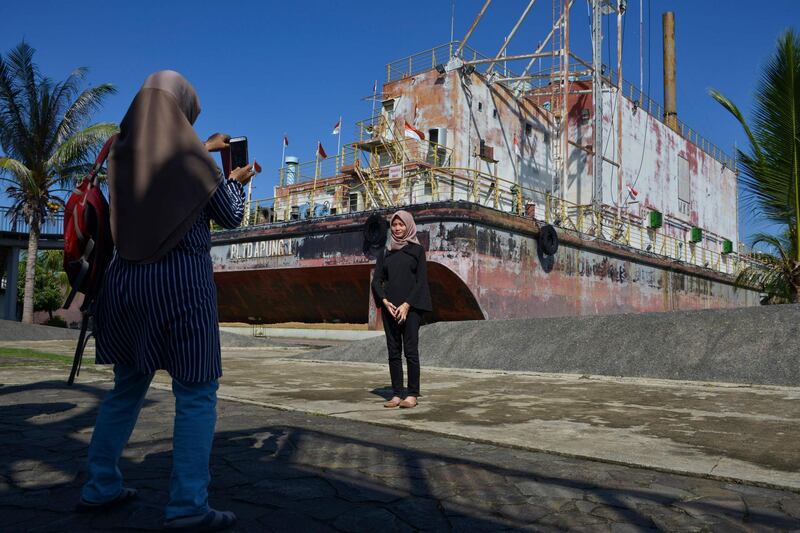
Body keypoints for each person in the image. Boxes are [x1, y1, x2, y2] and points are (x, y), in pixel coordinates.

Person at [76, 70, 256, 532]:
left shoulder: (122, 152)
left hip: (125, 286)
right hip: (180, 287)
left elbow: (161, 165)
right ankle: (187, 506)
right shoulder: (192, 162)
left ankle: (99, 486)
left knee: (126, 391)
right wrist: (235, 177)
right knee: (196, 394)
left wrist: (205, 147)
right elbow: (231, 215)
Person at [371, 210, 432, 409]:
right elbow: (377, 280)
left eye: (401, 224)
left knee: (411, 352)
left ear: (409, 225)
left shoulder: (417, 250)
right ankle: (397, 394)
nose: (397, 228)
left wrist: (407, 305)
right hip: (390, 309)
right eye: (394, 225)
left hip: (411, 308)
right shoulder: (386, 251)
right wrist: (385, 301)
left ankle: (412, 394)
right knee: (393, 352)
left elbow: (421, 281)